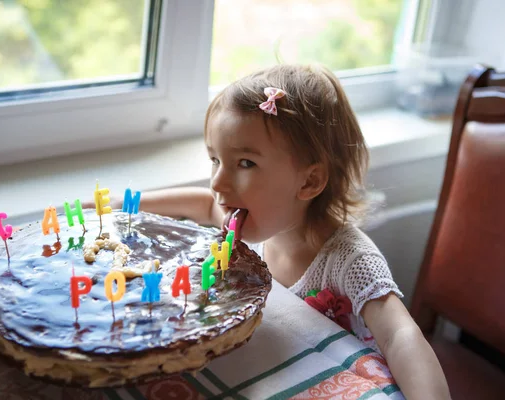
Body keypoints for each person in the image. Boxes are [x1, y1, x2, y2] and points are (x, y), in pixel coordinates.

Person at [87, 64, 451, 399]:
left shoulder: (351, 259)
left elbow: (399, 336)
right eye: (215, 159)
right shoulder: (251, 219)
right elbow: (200, 204)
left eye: (245, 163)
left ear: (309, 181)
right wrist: (123, 203)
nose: (218, 182)